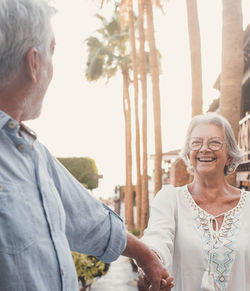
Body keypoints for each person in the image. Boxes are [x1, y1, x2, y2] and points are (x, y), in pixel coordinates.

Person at [0, 0, 174, 290]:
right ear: (34, 63)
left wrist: (147, 257)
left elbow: (89, 219)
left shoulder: (33, 153)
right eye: (51, 53)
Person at [139, 112, 250, 291]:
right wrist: (150, 263)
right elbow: (157, 238)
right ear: (189, 153)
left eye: (214, 142)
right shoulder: (170, 200)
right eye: (196, 142)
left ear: (230, 154)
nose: (204, 148)